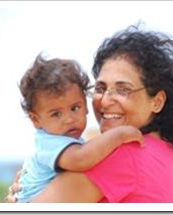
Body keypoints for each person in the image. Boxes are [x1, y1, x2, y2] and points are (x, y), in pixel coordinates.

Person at [6, 24, 173, 203]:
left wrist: (13, 202)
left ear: (157, 101)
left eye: (123, 89)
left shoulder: (124, 154)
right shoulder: (165, 150)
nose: (105, 100)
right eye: (101, 88)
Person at [13, 54, 144, 203]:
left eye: (75, 108)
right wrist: (119, 135)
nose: (69, 119)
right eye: (56, 114)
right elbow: (81, 159)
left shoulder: (66, 140)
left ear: (85, 105)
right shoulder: (49, 142)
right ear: (36, 120)